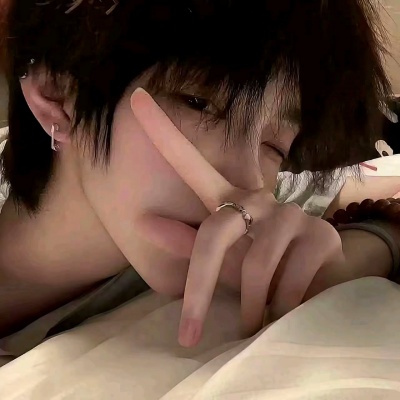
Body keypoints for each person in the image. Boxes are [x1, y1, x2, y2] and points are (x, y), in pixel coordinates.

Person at [0, 0, 398, 353]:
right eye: (198, 103)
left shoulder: (253, 208)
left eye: (275, 146)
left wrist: (363, 253)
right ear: (56, 92)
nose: (248, 180)